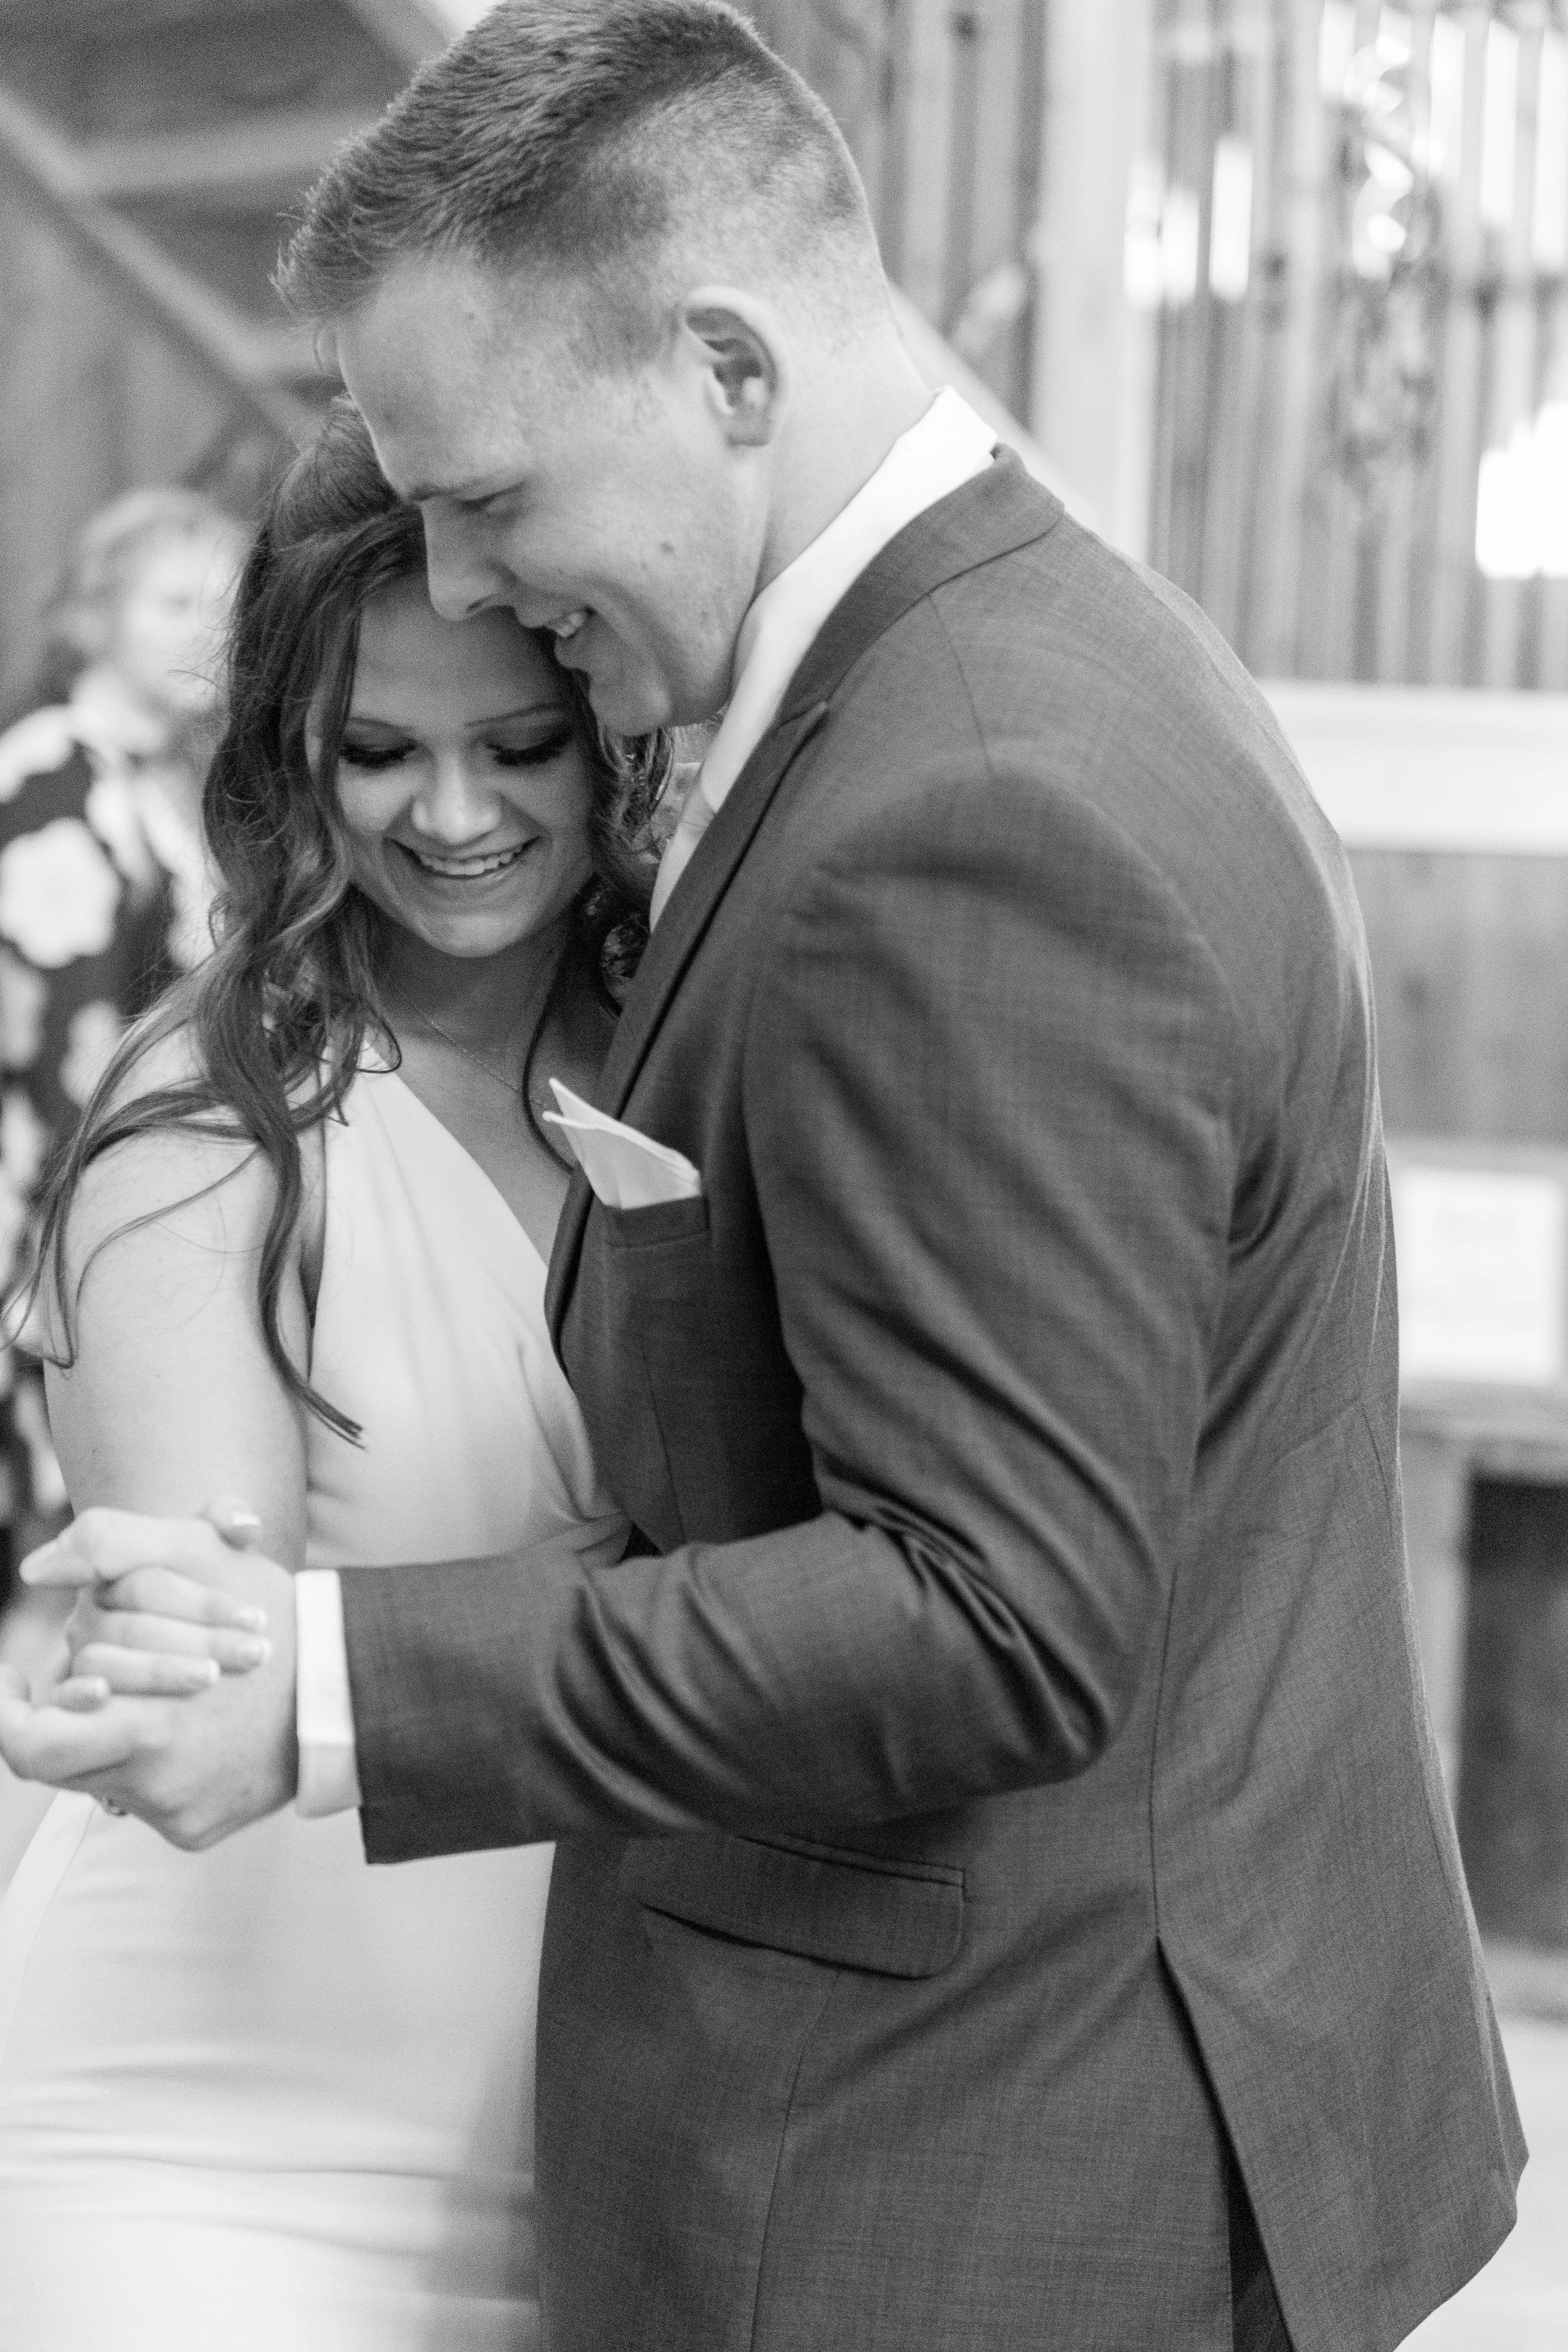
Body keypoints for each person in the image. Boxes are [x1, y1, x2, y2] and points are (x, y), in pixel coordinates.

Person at [0, 7, 1527, 2349]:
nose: (462, 569)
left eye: (491, 497)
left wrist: (320, 1678)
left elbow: (996, 1604)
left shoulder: (960, 801)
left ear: (724, 365)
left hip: (968, 2148)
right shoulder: (1023, 665)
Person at [0, 401, 658, 2349]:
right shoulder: (216, 1125)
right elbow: (213, 1648)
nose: (450, 813)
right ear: (292, 759)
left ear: (610, 728)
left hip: (610, 2128)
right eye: (377, 750)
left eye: (514, 743)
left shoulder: (697, 1053)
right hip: (215, 2151)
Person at [0, 489, 247, 1597]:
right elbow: (50, 1029)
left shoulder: (160, 785)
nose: (202, 629)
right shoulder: (55, 774)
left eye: (220, 606)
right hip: (38, 1192)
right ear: (97, 615)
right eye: (170, 602)